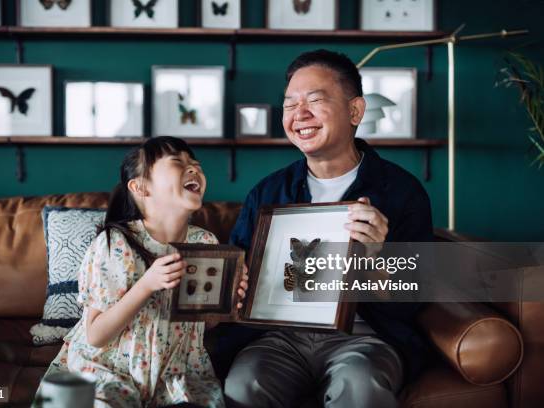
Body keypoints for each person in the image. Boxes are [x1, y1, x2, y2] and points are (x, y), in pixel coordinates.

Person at [224, 50, 433, 408]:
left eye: (315, 100)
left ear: (355, 111)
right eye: (290, 105)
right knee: (243, 385)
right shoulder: (267, 192)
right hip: (280, 336)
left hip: (365, 335)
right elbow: (236, 282)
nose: (299, 115)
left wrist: (376, 257)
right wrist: (235, 283)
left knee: (360, 385)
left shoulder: (401, 192)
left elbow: (410, 301)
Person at [35, 137, 247, 408]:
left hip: (178, 375)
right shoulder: (115, 244)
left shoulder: (205, 243)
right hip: (109, 371)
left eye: (195, 163)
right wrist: (147, 285)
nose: (193, 168)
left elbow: (202, 324)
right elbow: (96, 335)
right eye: (177, 162)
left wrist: (227, 304)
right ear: (140, 187)